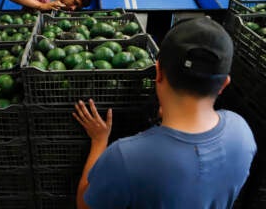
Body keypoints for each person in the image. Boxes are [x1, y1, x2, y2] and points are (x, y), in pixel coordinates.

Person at [72, 16, 257, 209]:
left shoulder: (125, 157)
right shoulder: (242, 132)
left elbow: (84, 206)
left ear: (158, 72)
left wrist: (99, 141)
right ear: (224, 84)